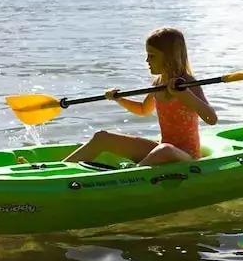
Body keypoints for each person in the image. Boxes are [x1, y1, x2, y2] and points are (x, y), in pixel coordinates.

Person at [61, 26, 218, 166]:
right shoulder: (158, 83)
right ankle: (60, 169)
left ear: (169, 57)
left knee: (164, 150)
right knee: (101, 137)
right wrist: (120, 99)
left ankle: (133, 173)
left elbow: (211, 119)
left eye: (152, 56)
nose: (147, 60)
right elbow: (143, 110)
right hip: (162, 148)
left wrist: (186, 95)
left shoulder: (188, 83)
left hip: (185, 155)